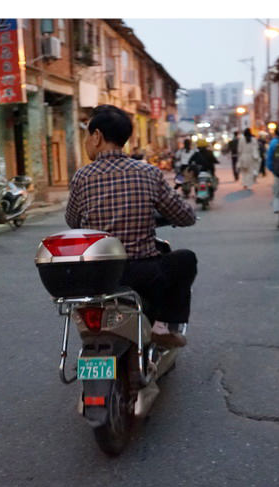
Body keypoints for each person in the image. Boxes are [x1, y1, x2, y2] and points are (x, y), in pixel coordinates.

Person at [66, 105, 197, 348]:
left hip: (97, 275)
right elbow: (183, 216)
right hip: (142, 272)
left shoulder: (82, 177)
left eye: (87, 135)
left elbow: (72, 221)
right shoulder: (149, 173)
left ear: (97, 136)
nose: (86, 142)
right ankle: (162, 326)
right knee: (185, 259)